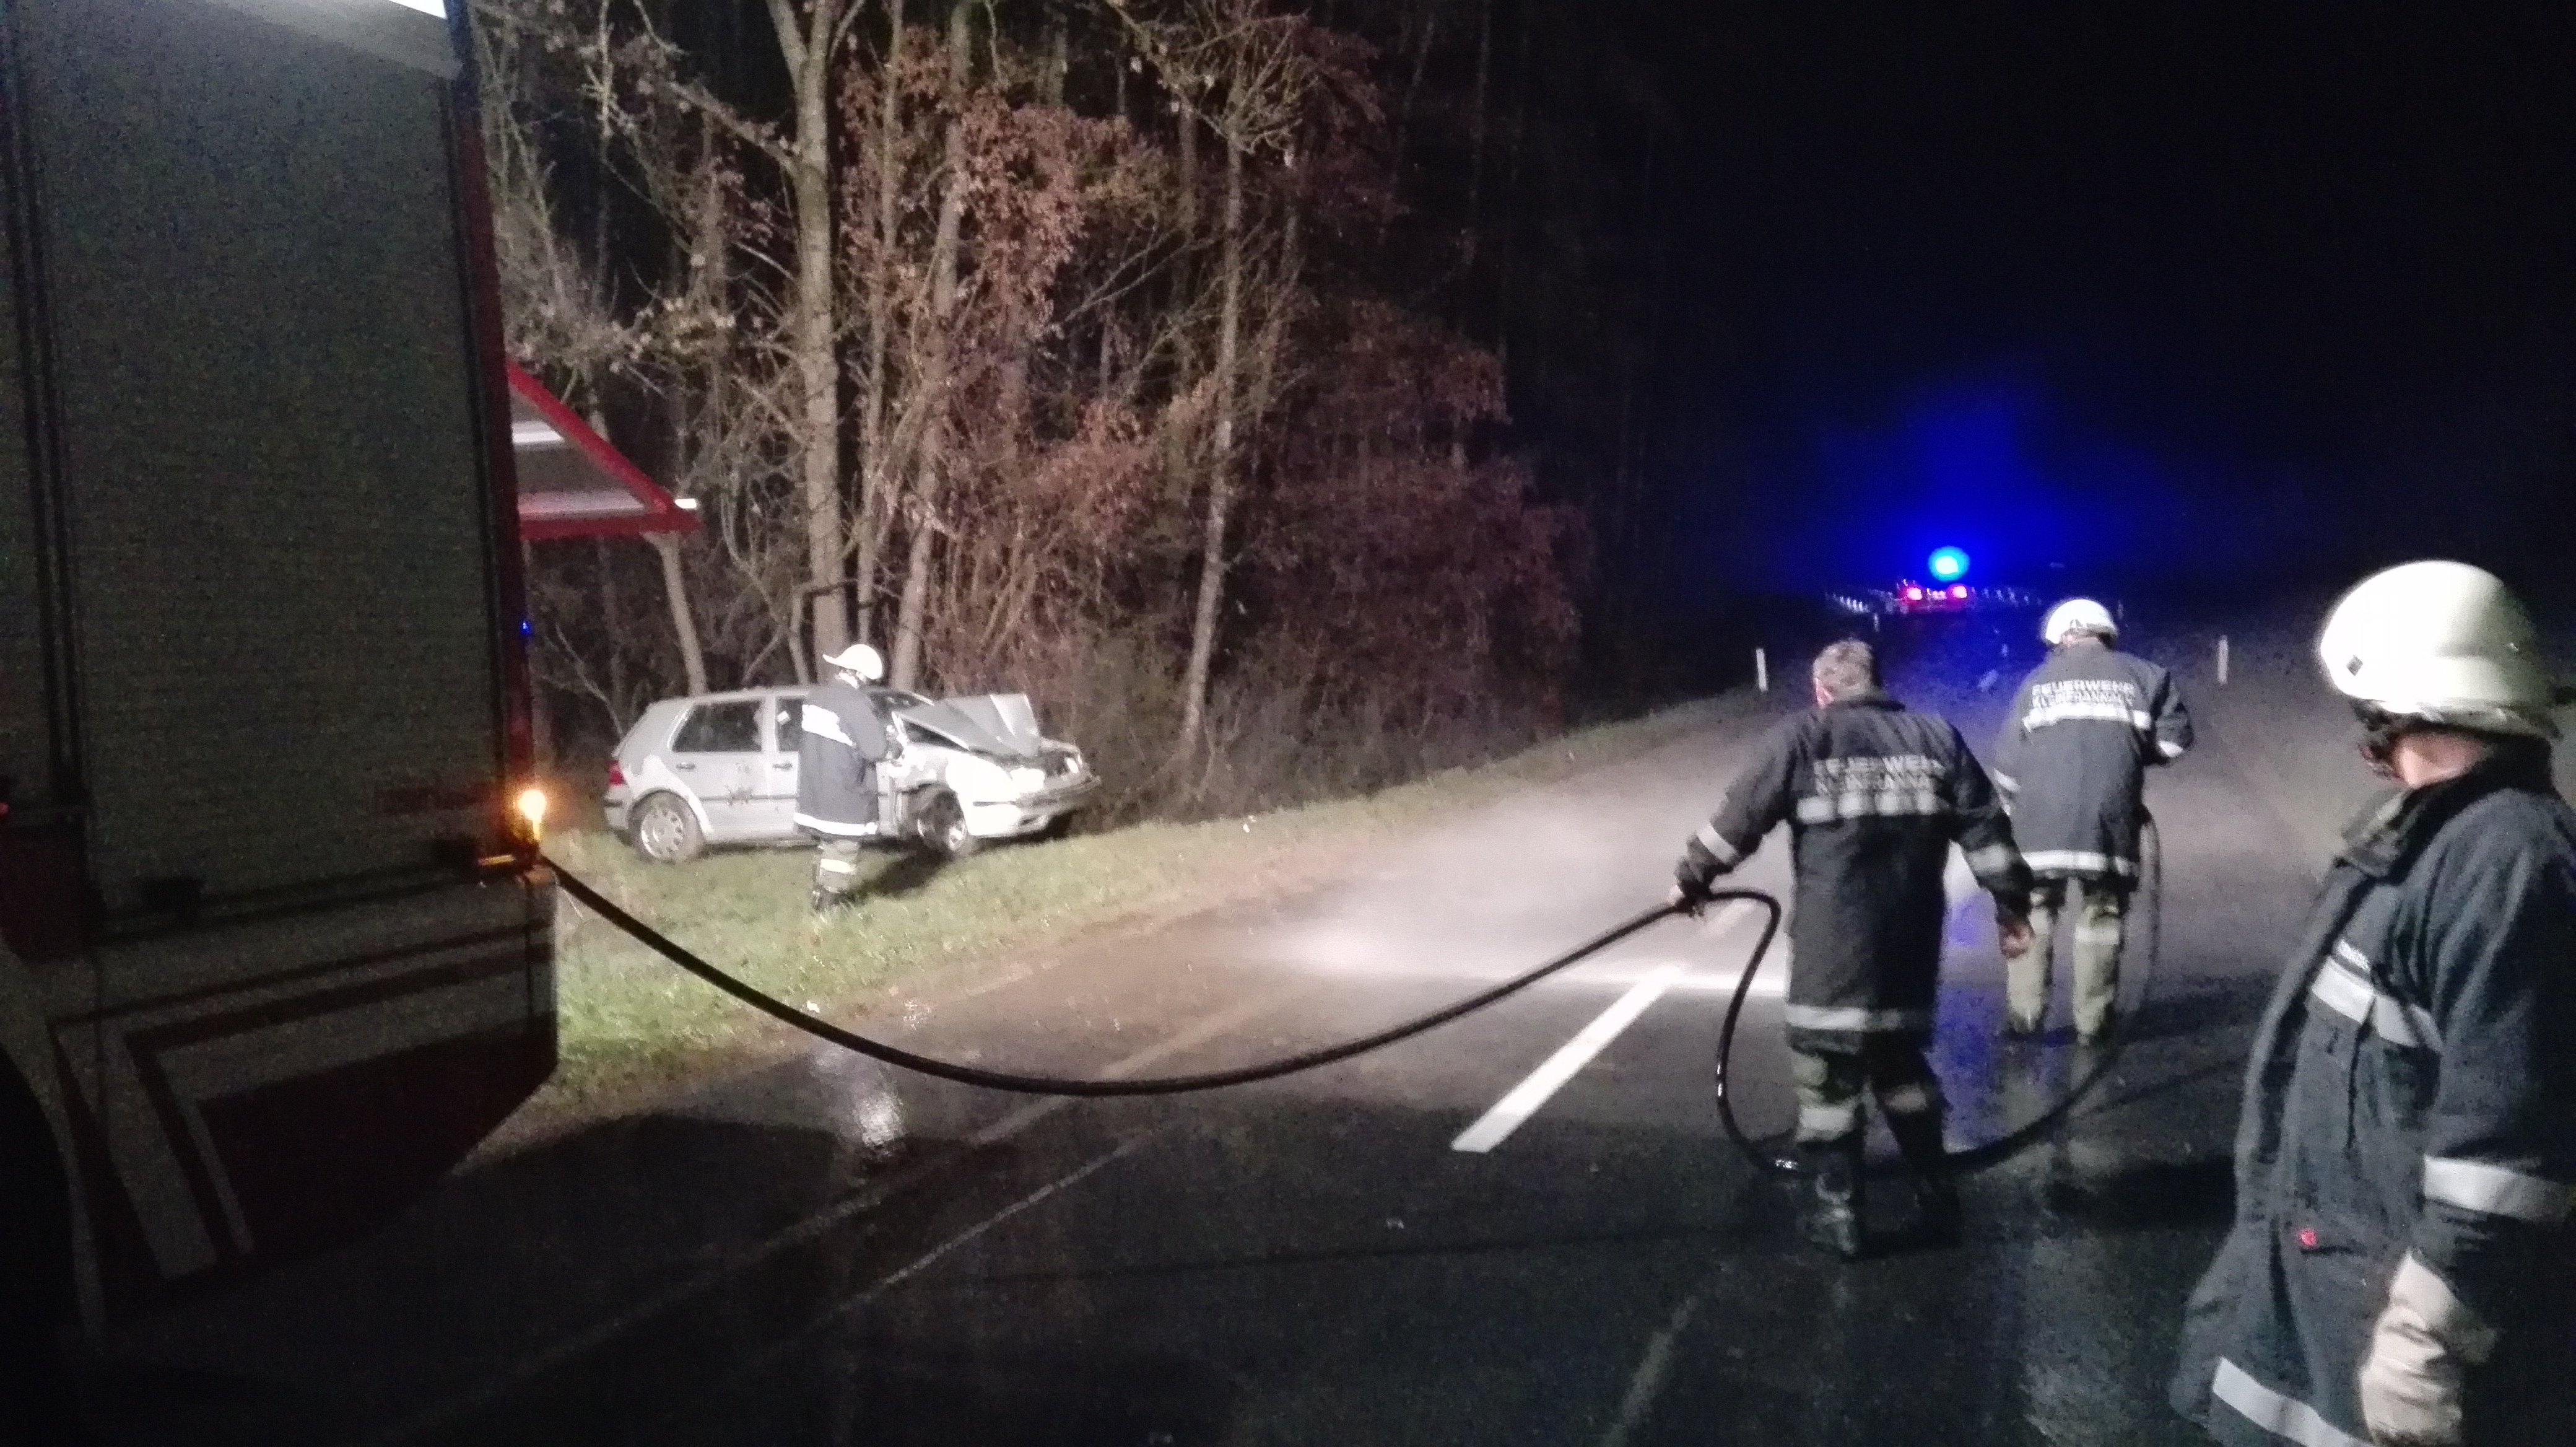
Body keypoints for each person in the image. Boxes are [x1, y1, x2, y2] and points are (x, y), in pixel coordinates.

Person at [2171, 561, 2576, 1447]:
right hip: (2325, 1290)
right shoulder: (2433, 838)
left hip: (2383, 1310)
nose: (2370, 747)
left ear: (2404, 707)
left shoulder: (2506, 864)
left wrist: (2425, 1340)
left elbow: (2506, 1153)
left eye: (2372, 722)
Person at [1672, 639, 2034, 1259]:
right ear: (1877, 682)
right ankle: (1937, 1198)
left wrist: (1690, 879)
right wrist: (2011, 907)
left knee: (1826, 1078)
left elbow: (1738, 821)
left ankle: (1840, 1214)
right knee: (1900, 1065)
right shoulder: (1936, 738)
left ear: (1822, 690)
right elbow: (1986, 828)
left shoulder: (1801, 738)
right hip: (1909, 941)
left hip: (1831, 945)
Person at [1991, 597, 2194, 1041]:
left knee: (2034, 911)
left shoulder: (2037, 681)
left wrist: (2007, 810)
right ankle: (2093, 1023)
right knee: (2102, 915)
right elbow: (2176, 740)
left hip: (2038, 823)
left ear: (2063, 637)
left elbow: (2006, 763)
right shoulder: (2148, 676)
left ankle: (2024, 1017)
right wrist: (2130, 755)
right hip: (2109, 823)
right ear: (2106, 634)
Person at [794, 644, 895, 914]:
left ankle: (819, 898)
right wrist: (892, 743)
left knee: (827, 845)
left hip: (816, 789)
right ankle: (829, 909)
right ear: (859, 674)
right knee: (844, 849)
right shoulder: (854, 702)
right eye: (867, 679)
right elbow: (876, 749)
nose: (867, 684)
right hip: (845, 790)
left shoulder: (815, 697)